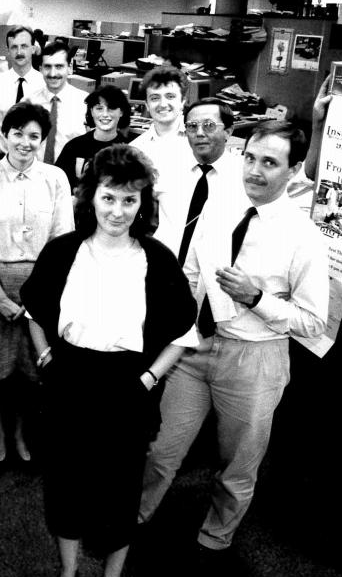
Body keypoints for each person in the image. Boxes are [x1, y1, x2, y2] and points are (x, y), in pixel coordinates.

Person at [21, 144, 196, 577]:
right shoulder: (63, 251)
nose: (118, 211)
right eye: (108, 198)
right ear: (90, 199)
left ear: (143, 205)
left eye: (129, 200)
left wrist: (147, 378)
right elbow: (34, 308)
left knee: (120, 493)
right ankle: (68, 573)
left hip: (126, 387)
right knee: (65, 487)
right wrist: (45, 353)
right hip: (69, 383)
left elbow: (184, 333)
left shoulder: (156, 260)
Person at [138, 121, 328, 555]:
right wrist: (180, 326)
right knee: (161, 450)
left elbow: (314, 323)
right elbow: (194, 269)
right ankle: (135, 518)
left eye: (270, 162)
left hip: (255, 359)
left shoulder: (305, 237)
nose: (255, 171)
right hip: (196, 347)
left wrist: (256, 298)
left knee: (237, 467)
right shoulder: (221, 205)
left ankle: (214, 540)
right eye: (250, 158)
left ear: (293, 169)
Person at [0, 102, 74, 463]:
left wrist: (39, 297)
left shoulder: (55, 178)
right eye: (18, 134)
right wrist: (0, 297)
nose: (25, 142)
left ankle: (21, 433)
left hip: (40, 286)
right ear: (5, 135)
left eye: (34, 136)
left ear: (43, 140)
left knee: (30, 371)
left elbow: (61, 243)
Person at [154, 97, 246, 264]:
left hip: (211, 282)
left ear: (228, 131)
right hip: (161, 272)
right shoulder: (167, 167)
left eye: (209, 125)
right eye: (192, 126)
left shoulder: (244, 177)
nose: (199, 133)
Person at [54, 85, 131, 191]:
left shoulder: (130, 149)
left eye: (111, 108)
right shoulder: (74, 147)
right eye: (99, 108)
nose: (105, 114)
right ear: (91, 111)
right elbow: (57, 184)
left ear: (121, 112)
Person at [0, 26, 43, 160]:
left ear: (33, 49)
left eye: (24, 46)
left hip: (32, 159)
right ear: (8, 51)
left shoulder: (44, 85)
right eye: (14, 47)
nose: (19, 51)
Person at [130, 65, 191, 180]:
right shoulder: (135, 150)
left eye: (170, 96)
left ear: (183, 101)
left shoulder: (200, 140)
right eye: (154, 98)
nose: (163, 104)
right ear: (147, 105)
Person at [33, 39, 87, 165]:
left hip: (71, 178)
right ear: (40, 69)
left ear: (69, 68)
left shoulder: (85, 103)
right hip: (34, 177)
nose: (53, 74)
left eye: (59, 66)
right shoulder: (28, 103)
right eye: (47, 67)